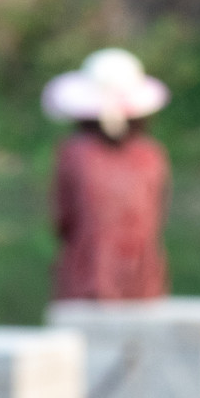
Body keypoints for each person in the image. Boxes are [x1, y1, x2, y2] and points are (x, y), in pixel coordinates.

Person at [41, 48, 172, 301]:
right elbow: (158, 217)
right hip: (144, 286)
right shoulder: (152, 155)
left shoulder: (74, 154)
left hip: (84, 285)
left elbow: (63, 220)